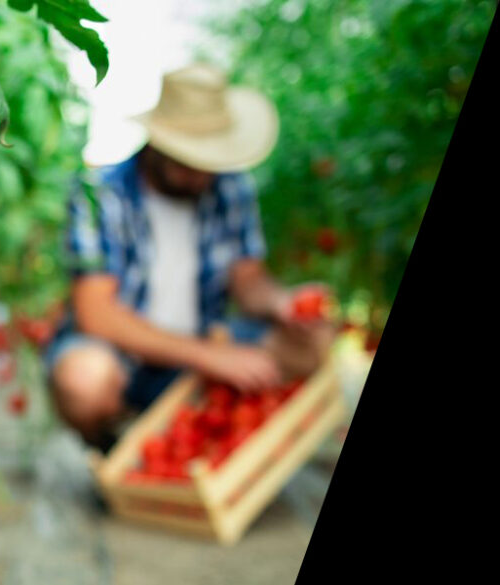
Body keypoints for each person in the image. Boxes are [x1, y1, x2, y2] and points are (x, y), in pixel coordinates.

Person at [46, 63, 336, 452]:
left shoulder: (230, 188)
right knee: (83, 379)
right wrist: (210, 356)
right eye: (188, 161)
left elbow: (249, 281)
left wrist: (281, 302)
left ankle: (209, 435)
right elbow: (96, 313)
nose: (202, 176)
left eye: (210, 162)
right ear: (158, 144)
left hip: (203, 345)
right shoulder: (99, 194)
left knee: (315, 341)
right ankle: (113, 443)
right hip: (126, 358)